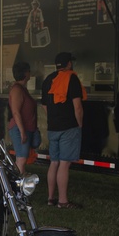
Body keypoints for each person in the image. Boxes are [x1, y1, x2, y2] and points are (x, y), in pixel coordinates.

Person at [41, 52, 86, 209]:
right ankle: (63, 201)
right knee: (64, 164)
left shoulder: (48, 80)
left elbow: (45, 106)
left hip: (53, 127)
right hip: (69, 127)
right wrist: (79, 124)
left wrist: (54, 118)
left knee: (54, 162)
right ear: (68, 64)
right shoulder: (71, 78)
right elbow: (78, 106)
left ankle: (50, 198)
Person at [7, 61, 40, 174]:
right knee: (21, 159)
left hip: (28, 128)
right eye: (29, 71)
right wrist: (22, 132)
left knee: (23, 157)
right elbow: (16, 112)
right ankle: (18, 183)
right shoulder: (17, 89)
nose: (30, 73)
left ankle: (20, 177)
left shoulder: (22, 88)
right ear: (25, 73)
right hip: (19, 128)